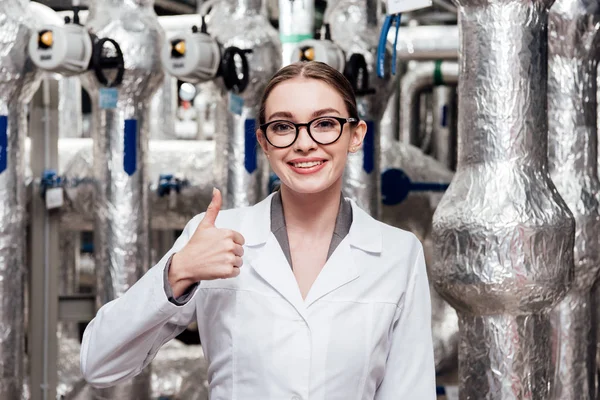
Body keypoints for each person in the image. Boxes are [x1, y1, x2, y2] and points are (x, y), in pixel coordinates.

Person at [80, 61, 436, 399]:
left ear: (355, 135)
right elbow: (100, 364)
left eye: (325, 123)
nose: (304, 142)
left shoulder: (397, 254)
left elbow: (410, 391)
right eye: (283, 126)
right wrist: (177, 273)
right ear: (264, 142)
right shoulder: (216, 235)